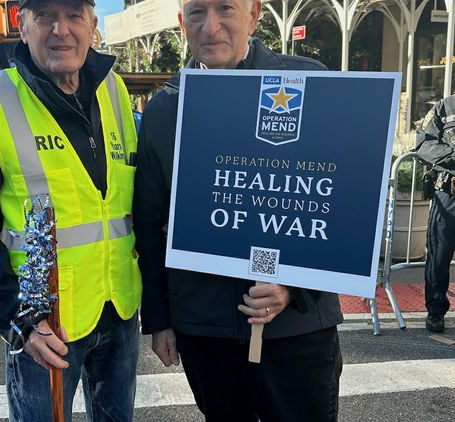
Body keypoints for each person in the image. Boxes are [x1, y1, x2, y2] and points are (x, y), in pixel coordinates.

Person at [133, 1, 344, 421]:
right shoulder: (165, 109)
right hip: (206, 329)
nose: (211, 27)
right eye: (196, 12)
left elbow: (339, 204)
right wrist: (159, 320)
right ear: (181, 23)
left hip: (296, 329)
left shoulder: (308, 82)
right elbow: (150, 223)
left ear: (254, 15)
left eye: (225, 8)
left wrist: (294, 286)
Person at [0, 0, 141, 421]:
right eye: (44, 15)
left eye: (73, 15)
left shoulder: (115, 90)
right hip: (45, 327)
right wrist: (19, 319)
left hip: (119, 310)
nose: (60, 30)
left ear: (92, 23)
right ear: (21, 23)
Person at [416, 62, 455, 333]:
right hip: (451, 192)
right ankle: (436, 311)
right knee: (439, 255)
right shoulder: (444, 108)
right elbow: (424, 145)